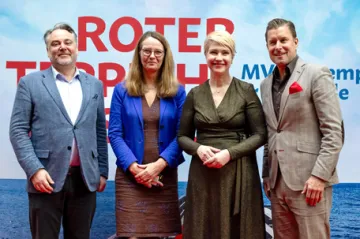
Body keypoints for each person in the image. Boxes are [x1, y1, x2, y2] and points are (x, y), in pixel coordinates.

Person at [9, 23, 108, 239]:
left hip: (85, 180)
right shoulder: (30, 83)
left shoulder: (95, 85)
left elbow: (99, 130)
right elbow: (17, 130)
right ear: (48, 50)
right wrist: (35, 170)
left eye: (67, 42)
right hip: (45, 179)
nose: (62, 47)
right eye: (55, 43)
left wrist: (102, 171)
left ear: (76, 47)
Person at [177, 30, 267, 239]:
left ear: (232, 56)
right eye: (213, 52)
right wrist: (198, 148)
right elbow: (182, 136)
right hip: (203, 173)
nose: (219, 58)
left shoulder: (246, 90)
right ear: (205, 55)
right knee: (202, 227)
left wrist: (229, 154)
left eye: (225, 53)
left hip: (239, 173)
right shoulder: (195, 94)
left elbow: (260, 134)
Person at [260, 18, 344, 239]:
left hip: (310, 184)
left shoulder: (316, 73)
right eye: (272, 42)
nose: (278, 46)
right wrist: (266, 175)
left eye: (283, 40)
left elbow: (334, 132)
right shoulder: (265, 84)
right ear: (267, 47)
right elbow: (271, 134)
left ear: (296, 42)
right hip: (277, 185)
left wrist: (319, 177)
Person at [108, 31, 186, 239]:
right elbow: (114, 133)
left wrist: (158, 166)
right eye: (147, 51)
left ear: (165, 56)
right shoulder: (121, 90)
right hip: (129, 177)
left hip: (163, 176)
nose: (152, 56)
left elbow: (182, 135)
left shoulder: (177, 91)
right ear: (138, 54)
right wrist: (136, 169)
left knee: (160, 235)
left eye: (158, 52)